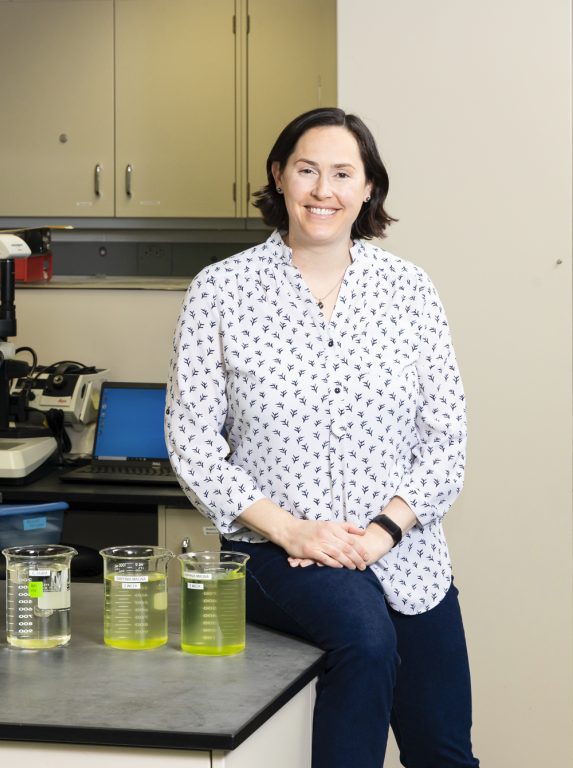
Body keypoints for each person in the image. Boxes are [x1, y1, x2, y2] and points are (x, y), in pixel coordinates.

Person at [165, 107, 478, 768]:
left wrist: (381, 534)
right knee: (363, 641)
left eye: (343, 173)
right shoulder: (220, 291)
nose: (322, 190)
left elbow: (446, 442)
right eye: (306, 170)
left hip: (404, 551)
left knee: (445, 755)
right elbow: (194, 444)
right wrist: (293, 531)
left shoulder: (410, 291)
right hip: (279, 550)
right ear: (279, 177)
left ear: (368, 189)